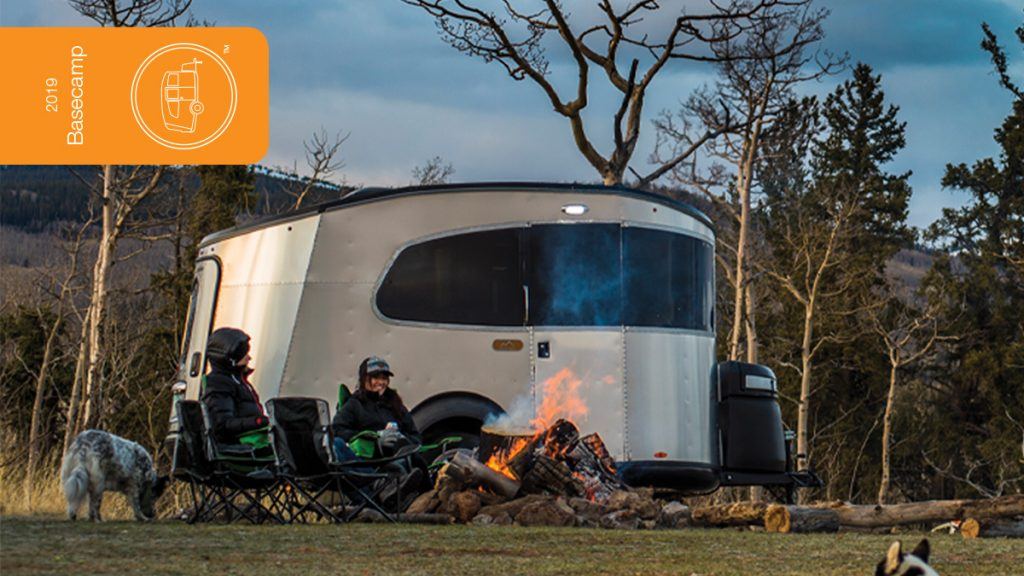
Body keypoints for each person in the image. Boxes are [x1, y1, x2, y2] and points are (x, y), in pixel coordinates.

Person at [332, 356, 421, 449]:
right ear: (364, 379)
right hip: (368, 456)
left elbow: (416, 437)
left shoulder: (396, 404)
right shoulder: (354, 404)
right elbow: (337, 431)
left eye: (384, 378)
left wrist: (401, 439)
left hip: (400, 455)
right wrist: (375, 438)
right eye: (375, 377)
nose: (381, 382)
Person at [202, 327, 268, 446]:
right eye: (243, 355)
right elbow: (222, 425)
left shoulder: (236, 380)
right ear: (230, 360)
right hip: (243, 445)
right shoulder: (219, 384)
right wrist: (258, 422)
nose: (249, 358)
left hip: (252, 439)